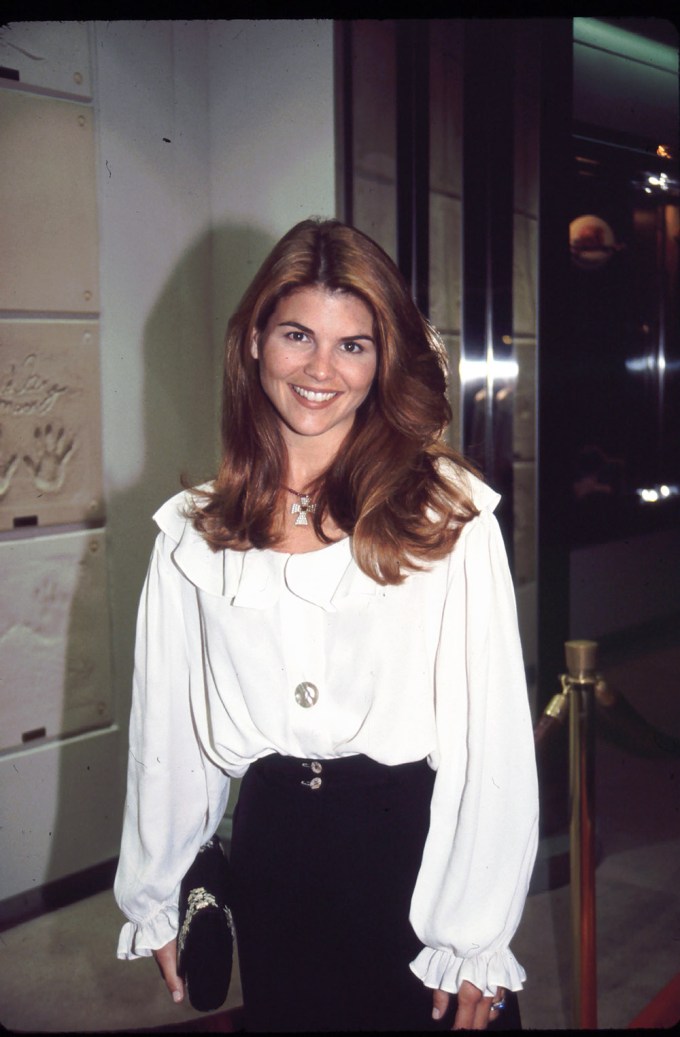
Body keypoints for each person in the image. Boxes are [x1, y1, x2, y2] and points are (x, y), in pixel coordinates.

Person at [114, 218, 539, 1032]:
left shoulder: (444, 514)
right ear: (253, 344)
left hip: (413, 855)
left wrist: (475, 937)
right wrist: (158, 888)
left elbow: (491, 739)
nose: (321, 368)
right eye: (298, 335)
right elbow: (169, 736)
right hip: (276, 853)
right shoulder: (196, 534)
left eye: (354, 344)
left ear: (383, 362)